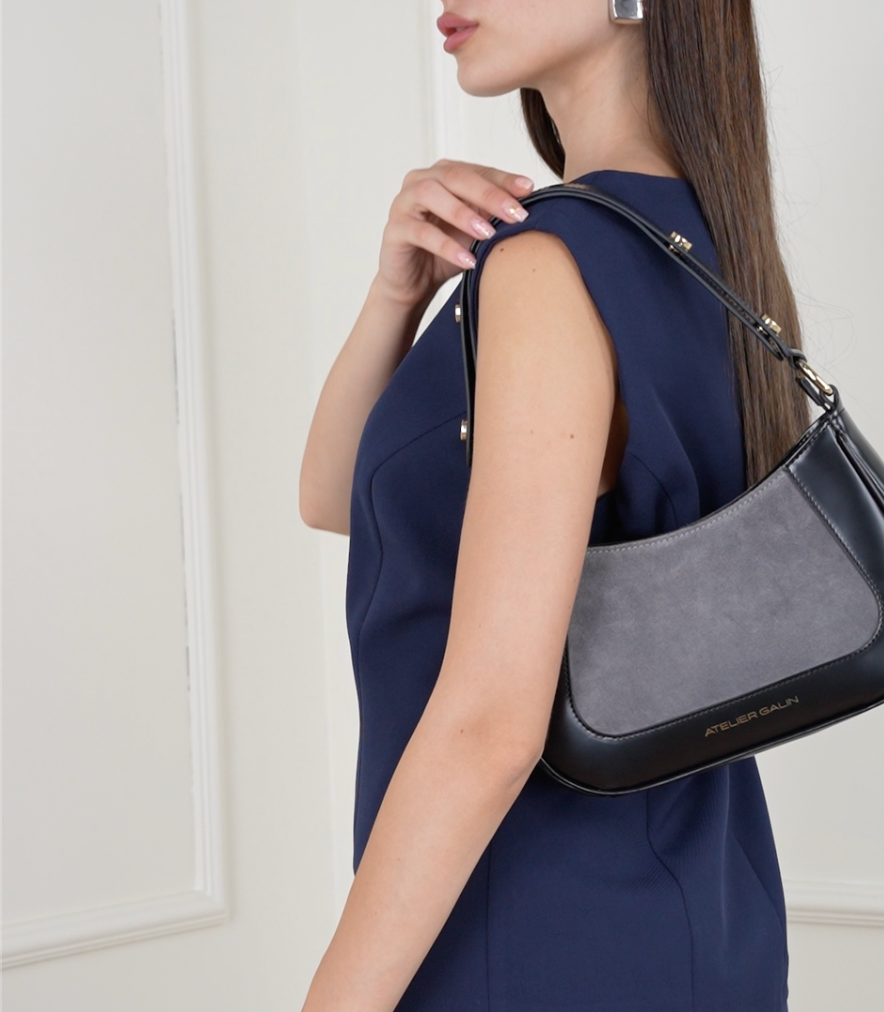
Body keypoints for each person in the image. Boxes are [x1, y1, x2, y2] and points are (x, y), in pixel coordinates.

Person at [298, 1, 810, 1009]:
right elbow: (332, 495)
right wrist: (396, 289)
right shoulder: (708, 252)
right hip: (695, 909)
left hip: (530, 930)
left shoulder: (552, 264)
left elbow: (491, 724)